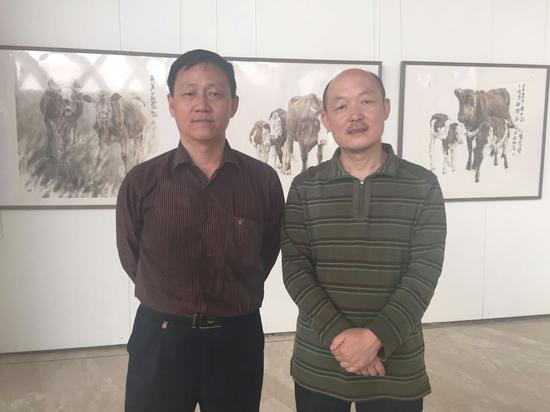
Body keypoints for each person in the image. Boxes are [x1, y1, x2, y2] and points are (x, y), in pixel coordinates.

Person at [116, 49, 284, 412]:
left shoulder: (263, 181)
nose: (202, 105)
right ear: (172, 104)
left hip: (237, 338)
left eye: (215, 93)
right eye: (189, 93)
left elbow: (267, 251)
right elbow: (132, 255)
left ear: (233, 104)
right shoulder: (142, 181)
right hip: (160, 337)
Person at [281, 68, 447, 412]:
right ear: (326, 120)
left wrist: (376, 338)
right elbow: (296, 271)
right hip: (320, 363)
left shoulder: (423, 185)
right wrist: (344, 341)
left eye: (366, 102)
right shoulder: (304, 187)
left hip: (396, 367)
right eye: (341, 106)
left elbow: (424, 273)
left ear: (385, 108)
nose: (354, 115)